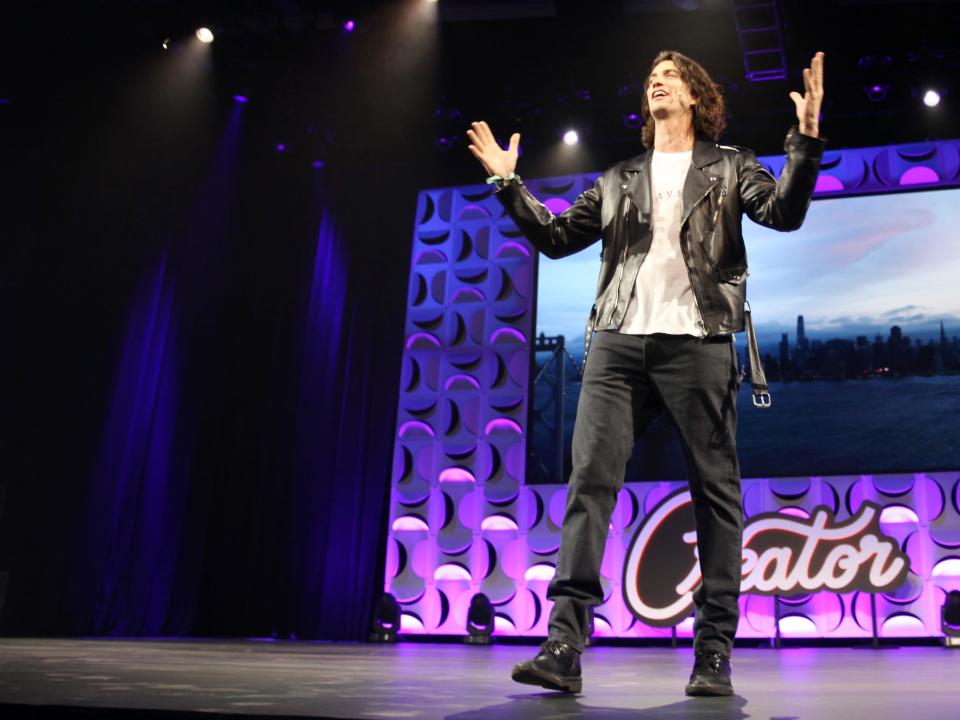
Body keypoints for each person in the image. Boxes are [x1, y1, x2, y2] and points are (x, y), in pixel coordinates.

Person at [465, 49, 825, 696]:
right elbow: (555, 237)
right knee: (589, 486)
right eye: (651, 77)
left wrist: (805, 142)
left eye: (671, 75)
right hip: (617, 346)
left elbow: (784, 213)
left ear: (695, 96)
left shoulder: (731, 165)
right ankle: (564, 645)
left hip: (701, 345)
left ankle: (713, 653)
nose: (657, 81)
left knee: (717, 497)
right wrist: (508, 186)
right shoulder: (618, 177)